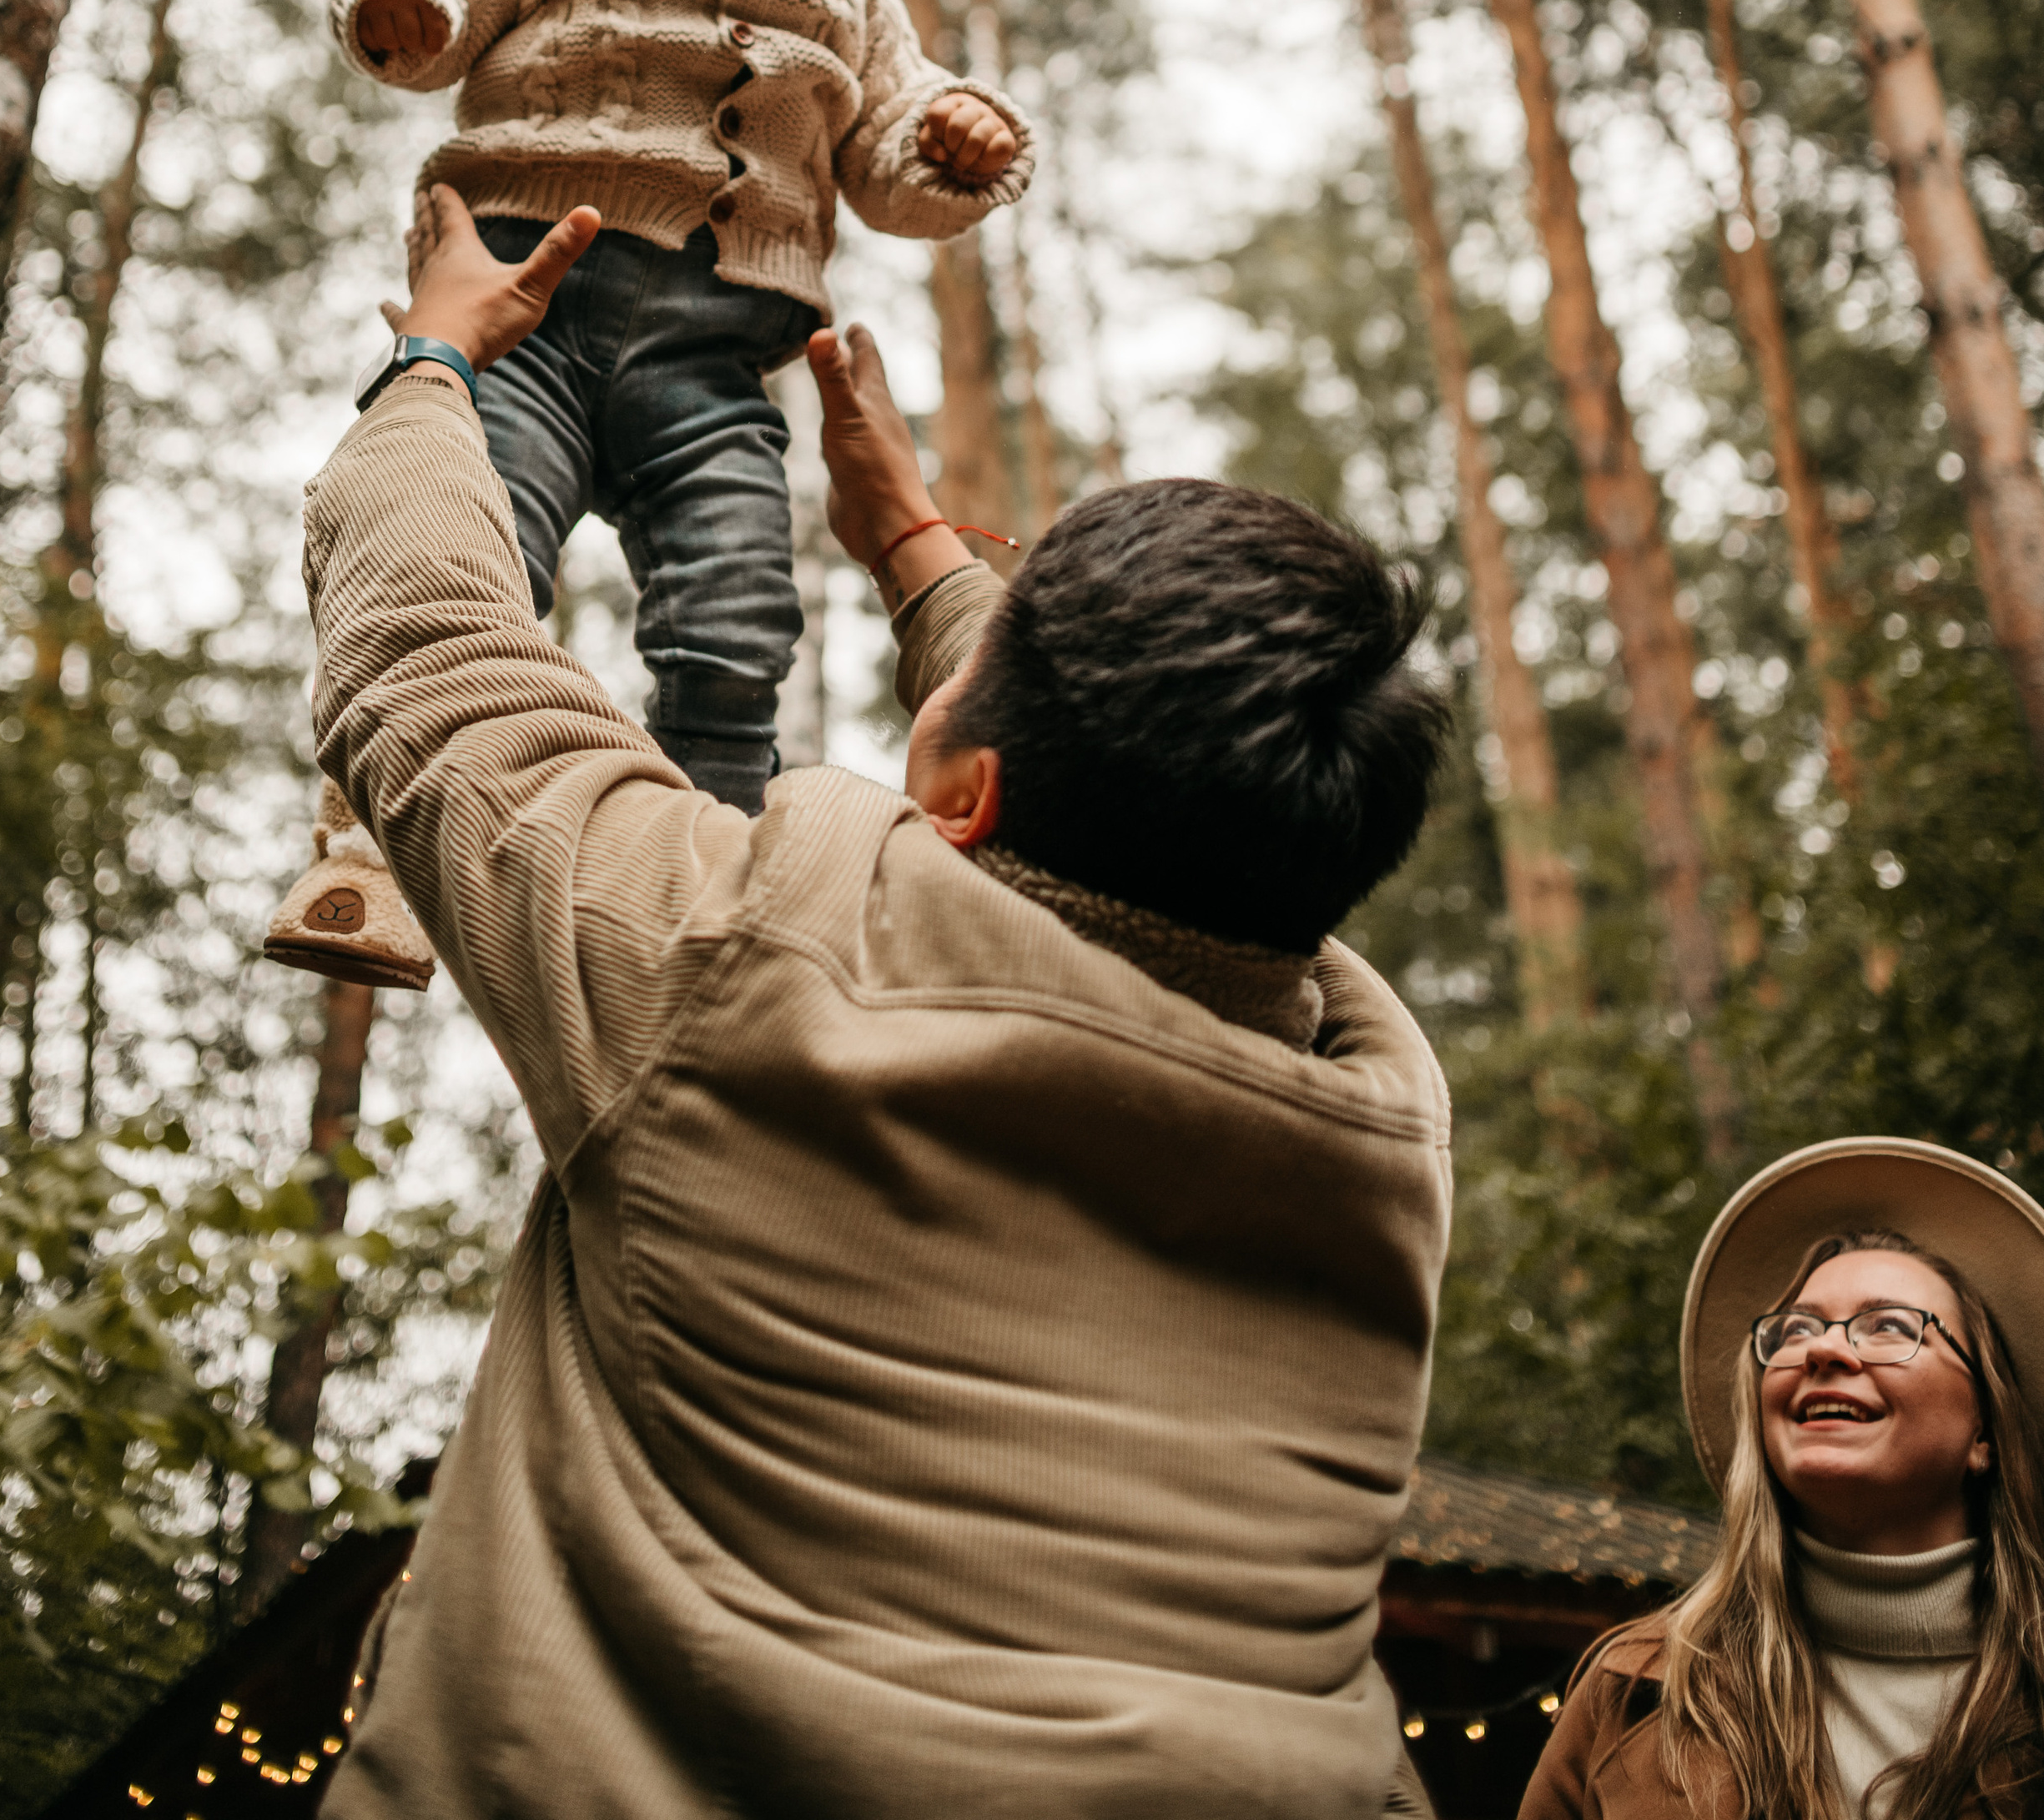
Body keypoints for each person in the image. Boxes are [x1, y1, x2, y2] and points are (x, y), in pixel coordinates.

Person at [298, 197, 1452, 1817]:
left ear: (963, 789)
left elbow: (425, 655)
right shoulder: (1377, 1114)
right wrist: (922, 551)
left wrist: (433, 363)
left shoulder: (725, 971)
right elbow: (1157, 837)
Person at [265, 0, 1030, 986]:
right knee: (464, 553)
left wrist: (957, 142)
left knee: (739, 619)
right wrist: (405, 5)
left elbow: (898, 154)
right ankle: (370, 855)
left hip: (715, 361)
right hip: (523, 309)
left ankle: (716, 880)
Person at [1520, 1135, 2044, 1820]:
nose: (1823, 1348)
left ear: (1984, 1431)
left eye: (1888, 1325)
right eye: (1795, 1330)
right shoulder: (1635, 1691)